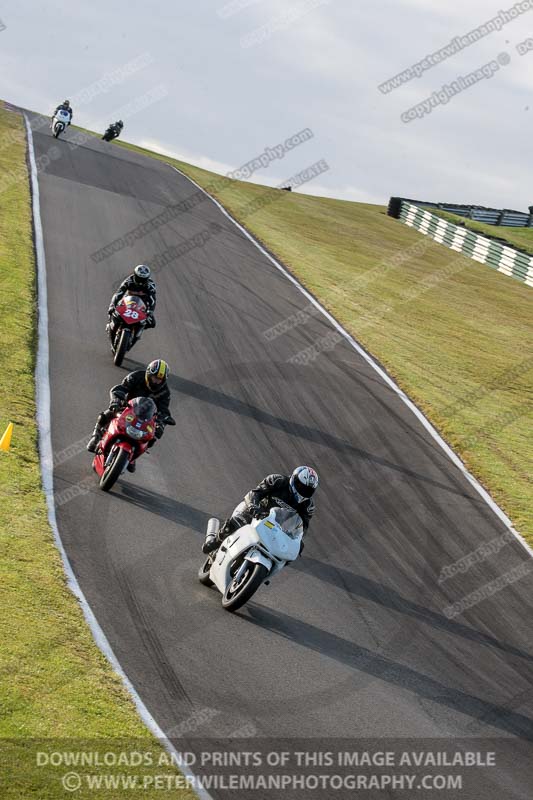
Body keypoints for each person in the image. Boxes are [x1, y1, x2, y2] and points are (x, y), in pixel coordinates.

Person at [202, 466, 319, 554]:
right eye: (301, 486)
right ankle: (216, 540)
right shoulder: (277, 480)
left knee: (287, 553)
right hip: (255, 512)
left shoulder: (308, 505)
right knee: (237, 522)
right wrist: (254, 507)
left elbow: (303, 526)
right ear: (294, 479)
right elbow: (255, 493)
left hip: (276, 527)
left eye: (308, 490)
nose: (303, 490)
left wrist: (297, 540)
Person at [86, 359, 173, 471]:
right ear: (148, 374)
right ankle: (96, 436)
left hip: (146, 419)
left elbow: (164, 411)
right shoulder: (136, 376)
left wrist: (161, 423)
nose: (156, 381)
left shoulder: (165, 393)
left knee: (153, 437)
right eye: (154, 377)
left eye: (159, 380)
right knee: (107, 414)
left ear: (163, 381)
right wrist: (116, 401)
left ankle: (132, 456)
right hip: (127, 408)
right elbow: (120, 389)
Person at [107, 264, 157, 335]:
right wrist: (112, 305)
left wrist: (150, 311)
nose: (140, 282)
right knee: (113, 311)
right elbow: (118, 294)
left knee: (152, 323)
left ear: (147, 278)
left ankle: (137, 331)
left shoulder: (150, 285)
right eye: (139, 279)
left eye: (143, 280)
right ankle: (111, 325)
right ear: (134, 275)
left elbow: (152, 299)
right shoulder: (128, 281)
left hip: (143, 303)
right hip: (128, 300)